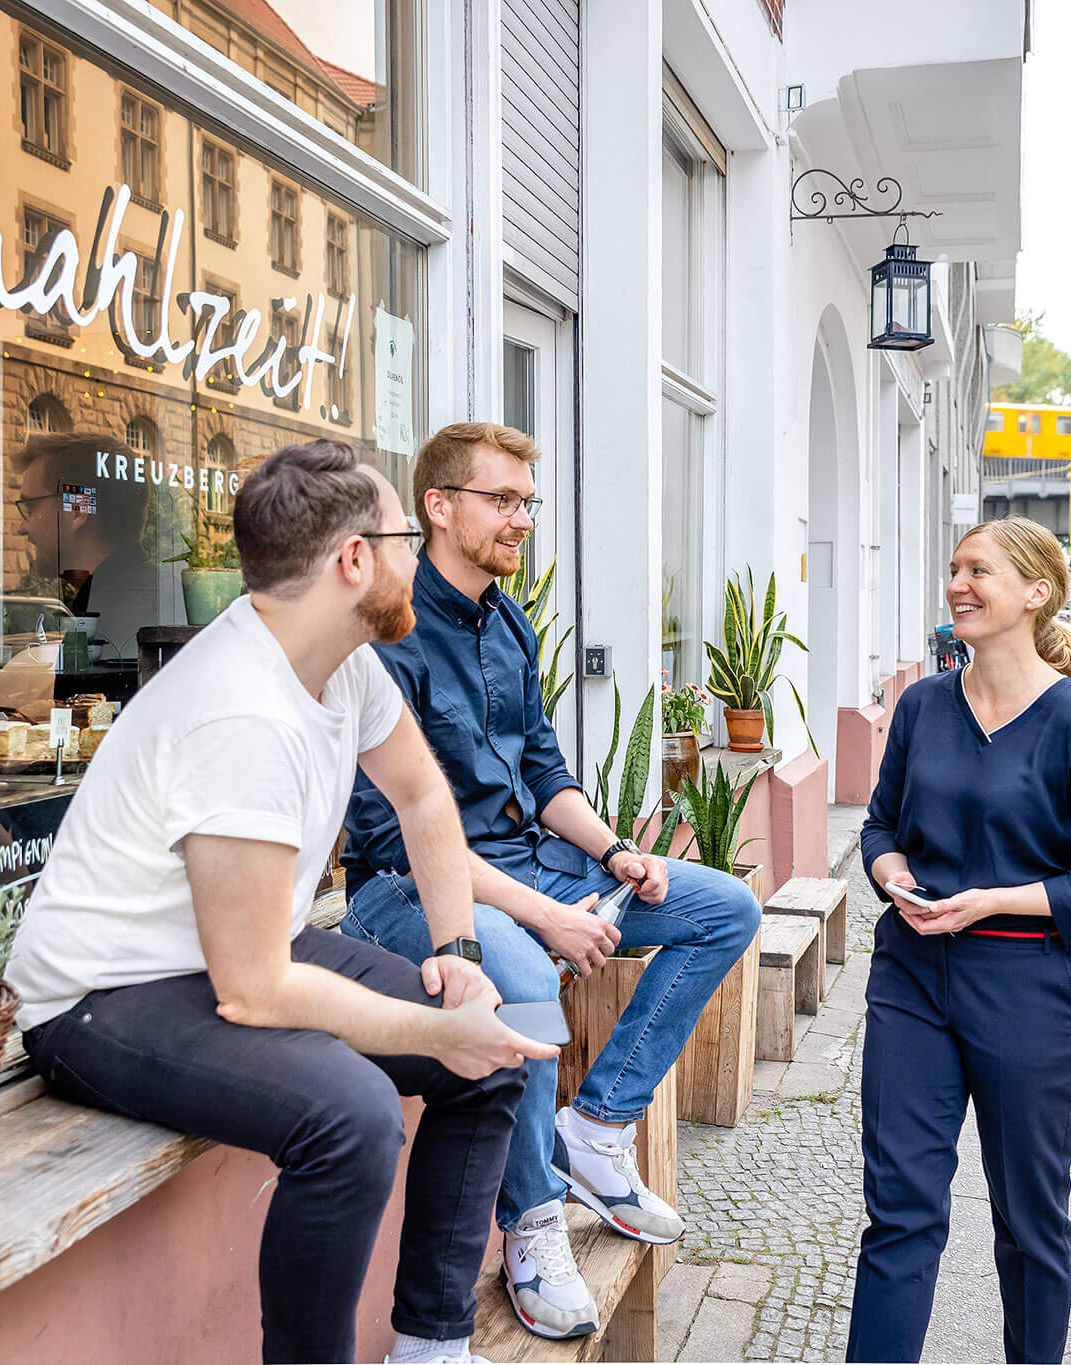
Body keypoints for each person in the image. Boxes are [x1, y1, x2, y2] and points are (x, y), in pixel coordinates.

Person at [6, 439, 555, 1365]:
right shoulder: (241, 714)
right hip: (102, 996)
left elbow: (423, 799)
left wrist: (459, 960)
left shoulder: (343, 661)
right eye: (400, 539)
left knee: (489, 1053)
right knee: (352, 1119)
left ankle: (431, 1342)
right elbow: (255, 990)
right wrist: (432, 1031)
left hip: (238, 952)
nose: (417, 556)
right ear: (352, 561)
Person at [339, 421, 762, 1342]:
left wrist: (616, 855)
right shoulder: (388, 641)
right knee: (524, 981)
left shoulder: (512, 622)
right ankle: (532, 1221)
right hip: (404, 895)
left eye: (529, 500)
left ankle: (598, 1129)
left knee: (722, 906)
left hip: (531, 861)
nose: (523, 518)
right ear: (439, 507)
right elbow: (402, 837)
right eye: (504, 499)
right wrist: (541, 917)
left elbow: (544, 770)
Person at [849, 517, 1071, 1364]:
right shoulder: (922, 705)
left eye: (978, 570)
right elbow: (879, 826)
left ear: (1035, 592)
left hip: (1029, 990)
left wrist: (991, 901)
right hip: (911, 975)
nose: (959, 584)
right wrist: (893, 876)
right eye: (953, 569)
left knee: (1028, 1222)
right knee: (900, 1210)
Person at [13, 429, 158, 658]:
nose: (22, 527)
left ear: (77, 511)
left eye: (31, 508)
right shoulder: (132, 600)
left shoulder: (119, 618)